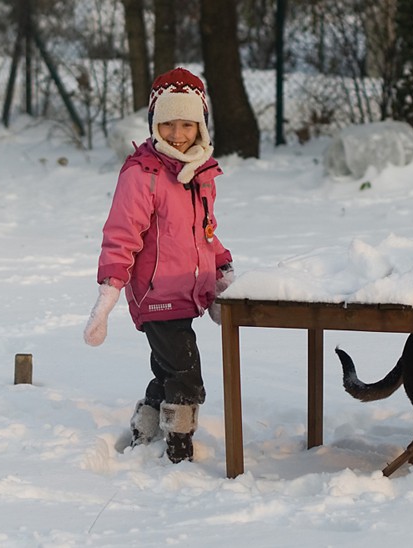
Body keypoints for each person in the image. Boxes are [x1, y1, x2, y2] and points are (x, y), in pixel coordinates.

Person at [83, 67, 235, 463]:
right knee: (187, 377)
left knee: (169, 372)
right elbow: (121, 234)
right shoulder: (143, 174)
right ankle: (178, 450)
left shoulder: (200, 174)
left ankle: (144, 425)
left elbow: (204, 232)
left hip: (188, 290)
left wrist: (221, 268)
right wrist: (110, 289)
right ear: (155, 124)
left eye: (187, 124)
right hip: (156, 293)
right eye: (168, 124)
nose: (178, 134)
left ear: (200, 126)